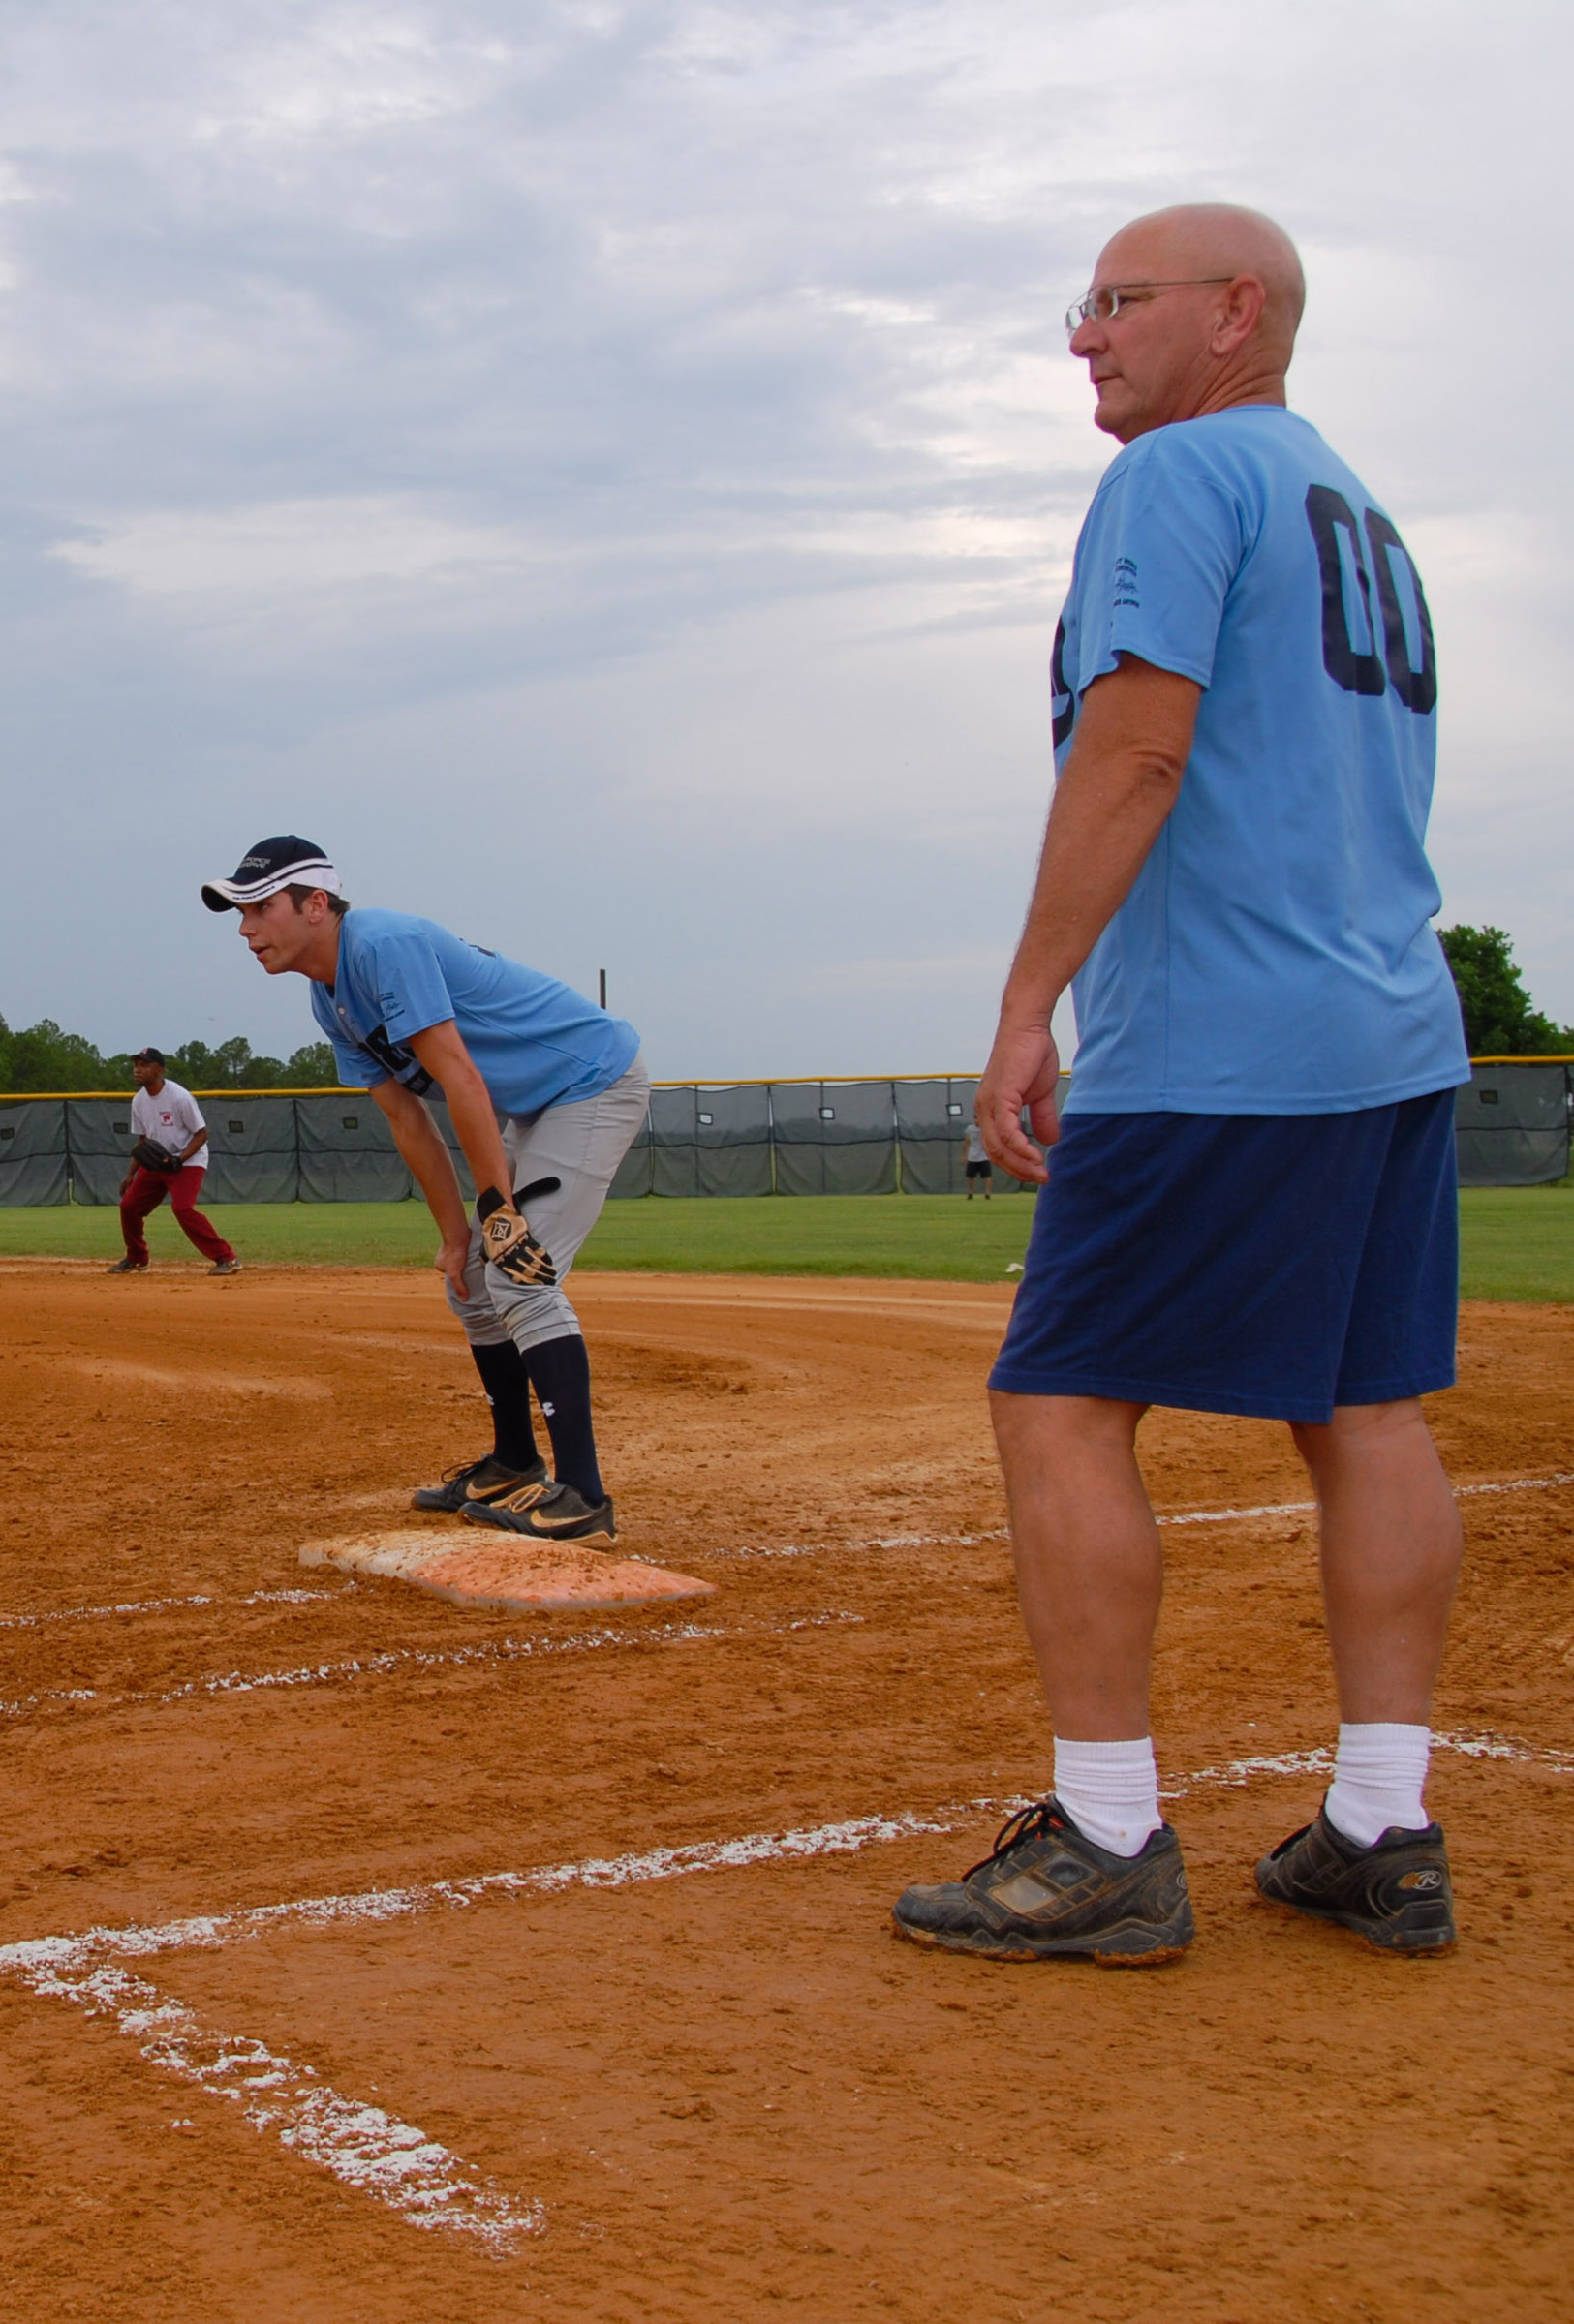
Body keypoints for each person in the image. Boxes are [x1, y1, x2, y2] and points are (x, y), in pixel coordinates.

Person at [892, 204, 1469, 1967]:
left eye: (1117, 303)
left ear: (1236, 315)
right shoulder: (1349, 503)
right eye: (1082, 306)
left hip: (1227, 1041)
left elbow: (1140, 747)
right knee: (1364, 1410)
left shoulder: (1178, 478)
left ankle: (1110, 1834)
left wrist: (1024, 1007)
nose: (1084, 335)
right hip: (1392, 1032)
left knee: (1059, 1397)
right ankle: (1383, 1825)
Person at [202, 836, 648, 1545]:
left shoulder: (385, 944)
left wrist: (499, 1211)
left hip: (590, 1083)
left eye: (259, 907)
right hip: (536, 1107)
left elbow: (460, 1078)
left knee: (520, 1277)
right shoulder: (329, 998)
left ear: (315, 905)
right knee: (470, 1278)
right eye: (240, 912)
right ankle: (512, 1460)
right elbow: (407, 1119)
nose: (245, 928)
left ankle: (584, 1497)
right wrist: (456, 1233)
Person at [108, 1048, 241, 1276]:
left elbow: (202, 1134)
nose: (137, 1070)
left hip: (189, 1160)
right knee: (129, 1207)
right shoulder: (139, 1101)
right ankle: (137, 1258)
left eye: (144, 1065)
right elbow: (143, 1140)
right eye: (136, 1065)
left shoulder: (179, 1097)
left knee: (182, 1208)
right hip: (158, 1162)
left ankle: (227, 1258)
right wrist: (130, 1174)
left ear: (158, 1070)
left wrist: (180, 1159)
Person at [961, 1118, 993, 1199]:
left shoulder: (986, 1128)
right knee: (970, 1176)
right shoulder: (970, 1129)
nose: (977, 1120)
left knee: (987, 1176)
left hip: (984, 1156)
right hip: (972, 1157)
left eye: (979, 1118)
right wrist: (963, 1155)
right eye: (976, 1119)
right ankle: (971, 1193)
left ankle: (988, 1193)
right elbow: (967, 1142)